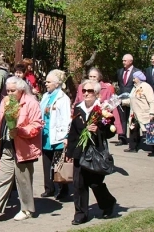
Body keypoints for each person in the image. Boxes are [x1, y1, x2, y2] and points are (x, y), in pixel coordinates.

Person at [0, 76, 42, 222]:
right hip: (7, 145)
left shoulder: (31, 103)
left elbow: (37, 125)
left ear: (21, 90)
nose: (9, 93)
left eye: (13, 90)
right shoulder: (5, 101)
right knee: (2, 178)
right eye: (7, 90)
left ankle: (27, 209)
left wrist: (20, 131)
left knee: (23, 180)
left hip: (24, 148)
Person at [66, 79, 116, 225]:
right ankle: (80, 213)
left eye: (90, 91)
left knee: (95, 183)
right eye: (84, 91)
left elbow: (110, 132)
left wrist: (99, 130)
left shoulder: (102, 110)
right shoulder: (77, 108)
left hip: (95, 151)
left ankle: (108, 203)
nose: (86, 94)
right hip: (79, 151)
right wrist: (69, 152)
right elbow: (73, 132)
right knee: (78, 183)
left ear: (97, 94)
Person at [39, 69, 71, 199]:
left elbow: (66, 118)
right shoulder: (46, 96)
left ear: (57, 84)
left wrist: (65, 137)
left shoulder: (63, 98)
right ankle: (49, 188)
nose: (46, 84)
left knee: (58, 164)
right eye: (46, 81)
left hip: (58, 135)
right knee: (47, 162)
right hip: (46, 135)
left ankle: (63, 188)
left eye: (48, 82)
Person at [73, 68, 122, 136]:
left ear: (99, 77)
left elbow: (113, 107)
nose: (92, 78)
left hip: (98, 121)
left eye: (94, 77)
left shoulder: (106, 88)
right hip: (82, 119)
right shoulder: (81, 87)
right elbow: (77, 101)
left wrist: (117, 126)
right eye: (90, 76)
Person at [125, 71, 154, 153]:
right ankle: (133, 147)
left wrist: (152, 113)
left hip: (144, 113)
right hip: (134, 113)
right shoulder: (135, 87)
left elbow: (152, 101)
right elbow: (132, 99)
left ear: (138, 78)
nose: (133, 80)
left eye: (134, 78)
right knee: (133, 130)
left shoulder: (146, 87)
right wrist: (122, 102)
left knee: (150, 131)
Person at [116, 54, 140, 146]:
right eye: (123, 60)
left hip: (133, 99)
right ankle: (122, 138)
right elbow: (120, 84)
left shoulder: (137, 72)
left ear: (131, 61)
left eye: (125, 61)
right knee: (122, 118)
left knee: (132, 119)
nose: (123, 62)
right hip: (122, 99)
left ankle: (134, 139)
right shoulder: (120, 71)